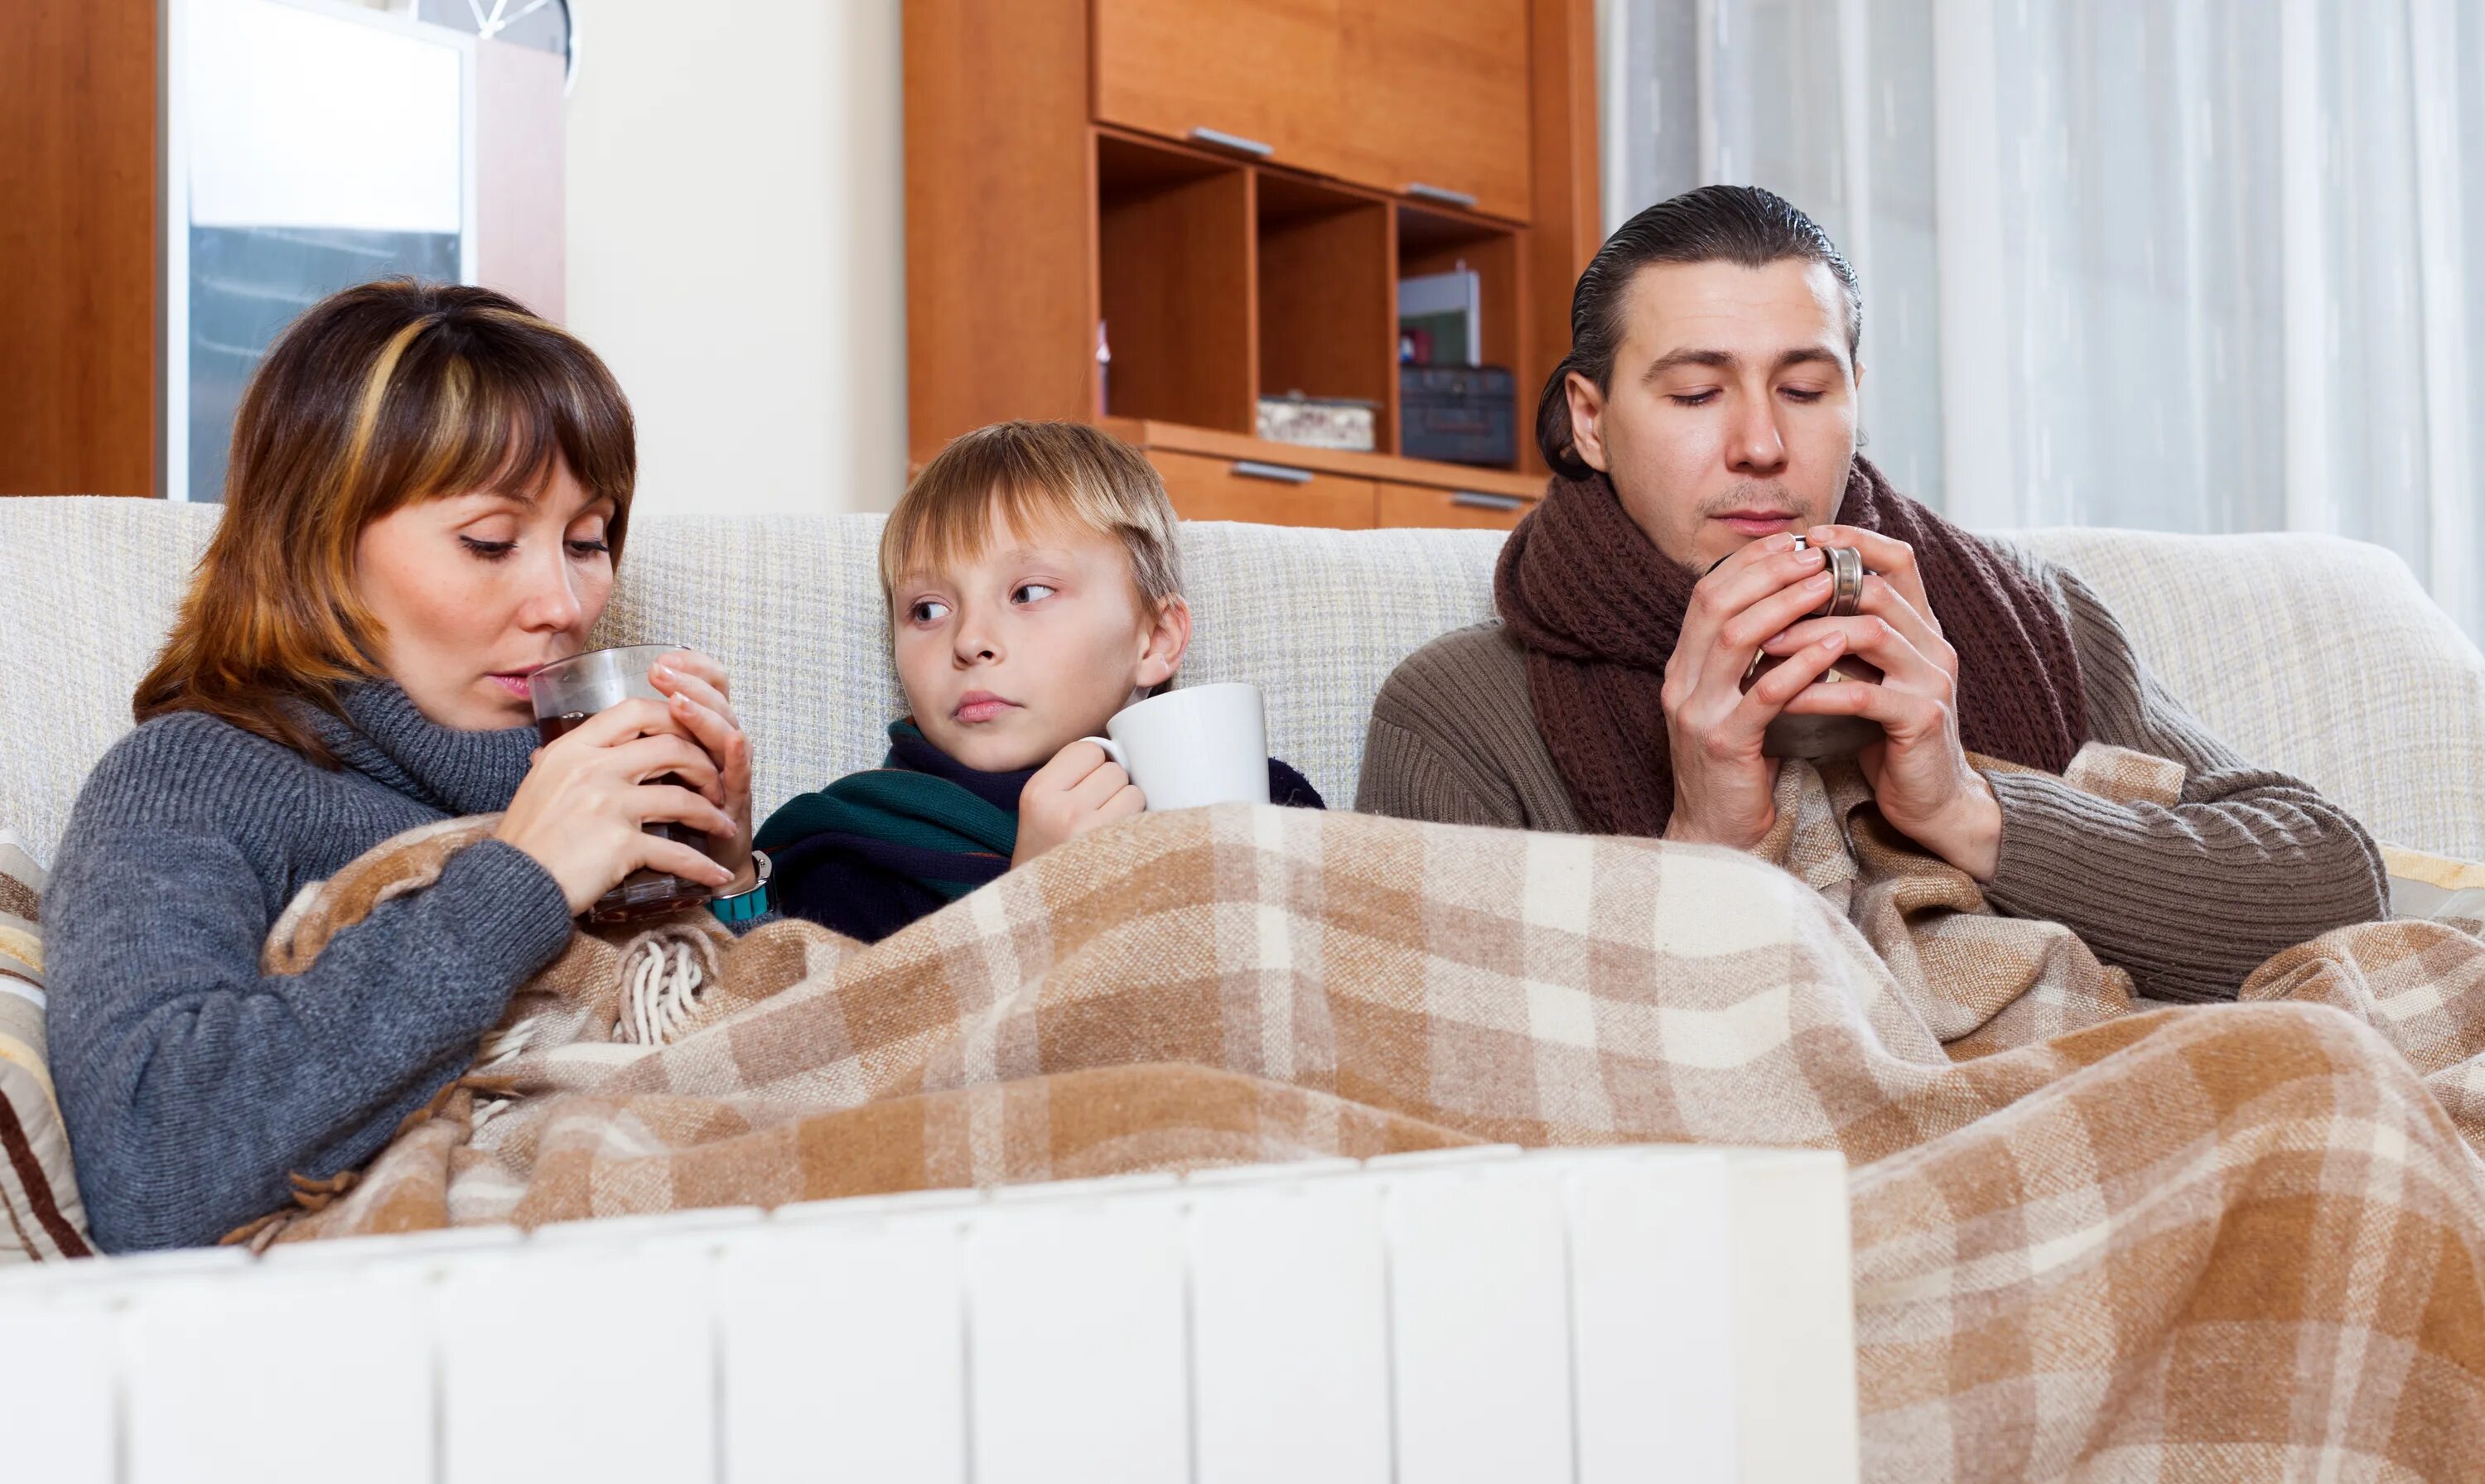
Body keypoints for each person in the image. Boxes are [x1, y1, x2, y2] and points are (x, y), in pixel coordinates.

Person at [1356, 186, 2386, 1002]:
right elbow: (1432, 1057)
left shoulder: (2029, 616)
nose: (1762, 445)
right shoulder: (1459, 714)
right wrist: (1704, 843)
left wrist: (1968, 807)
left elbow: (2337, 884)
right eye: (1696, 393)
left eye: (1805, 390)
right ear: (1589, 418)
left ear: (1856, 389)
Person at [43, 280, 771, 1251]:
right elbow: (153, 1159)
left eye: (588, 541)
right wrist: (523, 881)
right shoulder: (188, 779)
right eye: (490, 541)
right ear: (320, 543)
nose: (563, 602)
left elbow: (745, 1052)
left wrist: (727, 877)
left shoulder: (607, 776)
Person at [759, 420, 1321, 942]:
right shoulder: (846, 860)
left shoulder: (1272, 804)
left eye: (1028, 593)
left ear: (1155, 640)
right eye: (928, 610)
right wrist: (1029, 905)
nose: (969, 640)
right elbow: (860, 1044)